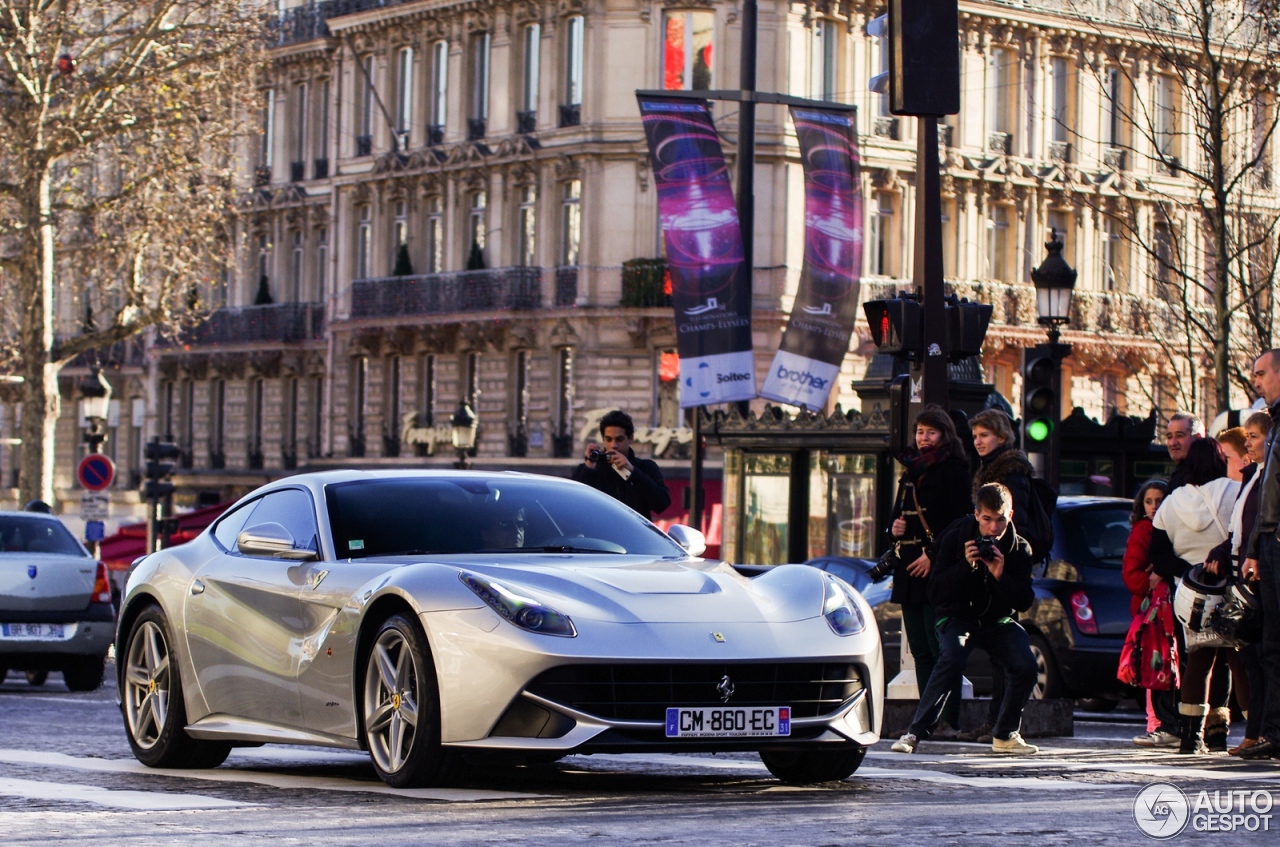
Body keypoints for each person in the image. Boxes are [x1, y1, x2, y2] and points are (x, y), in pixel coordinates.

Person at [890, 483, 1039, 755]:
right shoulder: (958, 535)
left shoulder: (1019, 548)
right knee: (951, 657)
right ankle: (914, 732)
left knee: (1026, 664)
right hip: (957, 617)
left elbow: (1024, 601)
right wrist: (965, 566)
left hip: (997, 622)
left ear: (1011, 515)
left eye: (1001, 520)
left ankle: (1005, 734)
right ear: (976, 514)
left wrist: (999, 575)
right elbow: (935, 592)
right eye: (987, 520)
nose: (993, 528)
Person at [884, 405, 974, 740]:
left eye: (931, 432)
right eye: (920, 432)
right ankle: (926, 718)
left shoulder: (953, 470)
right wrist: (892, 527)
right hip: (909, 568)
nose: (924, 438)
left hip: (937, 569)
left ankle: (947, 719)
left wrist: (933, 557)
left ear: (944, 435)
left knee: (942, 651)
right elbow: (896, 516)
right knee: (920, 649)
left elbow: (961, 523)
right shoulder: (910, 470)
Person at [957, 408, 1042, 744]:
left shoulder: (1010, 472)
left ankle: (1003, 723)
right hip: (994, 565)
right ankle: (997, 721)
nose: (978, 442)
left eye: (985, 436)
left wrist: (1001, 557)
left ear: (1002, 437)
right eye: (975, 436)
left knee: (1009, 650)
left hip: (1007, 566)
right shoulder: (990, 468)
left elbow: (1012, 524)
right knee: (1000, 654)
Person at [1149, 438, 1238, 753]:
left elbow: (1157, 553)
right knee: (1240, 662)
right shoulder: (1233, 491)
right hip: (1230, 590)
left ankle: (1190, 736)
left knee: (1198, 663)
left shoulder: (1172, 502)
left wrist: (1189, 570)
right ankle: (1249, 733)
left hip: (1192, 596)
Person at [1239, 349, 1280, 760]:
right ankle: (1272, 732)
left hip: (1276, 544)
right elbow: (1268, 496)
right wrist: (1254, 549)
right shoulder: (1277, 423)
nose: (1257, 382)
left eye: (1262, 374)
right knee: (1270, 644)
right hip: (1269, 545)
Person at [1226, 412, 1271, 755]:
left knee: (1261, 657)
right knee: (1252, 659)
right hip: (1245, 573)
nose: (1249, 444)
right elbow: (1238, 528)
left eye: (1254, 436)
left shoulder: (1266, 475)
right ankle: (1255, 731)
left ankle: (1259, 732)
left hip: (1258, 574)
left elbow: (1260, 523)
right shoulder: (1253, 475)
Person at [1121, 479, 1178, 747]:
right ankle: (1157, 724)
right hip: (1151, 613)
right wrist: (1153, 582)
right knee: (1154, 666)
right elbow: (1132, 577)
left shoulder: (1167, 527)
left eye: (1159, 500)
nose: (1155, 506)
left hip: (1164, 609)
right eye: (1149, 501)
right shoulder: (1143, 531)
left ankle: (1163, 724)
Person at [572, 409, 671, 520]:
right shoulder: (591, 468)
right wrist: (589, 467)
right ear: (603, 439)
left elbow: (662, 504)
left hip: (634, 534)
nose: (613, 445)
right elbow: (574, 504)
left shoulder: (646, 467)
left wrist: (633, 472)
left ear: (630, 439)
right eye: (608, 439)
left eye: (619, 439)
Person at [1165, 411, 1205, 492]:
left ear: (1198, 438)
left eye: (1179, 435)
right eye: (1169, 437)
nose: (1173, 443)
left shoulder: (1202, 475)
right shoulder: (1181, 473)